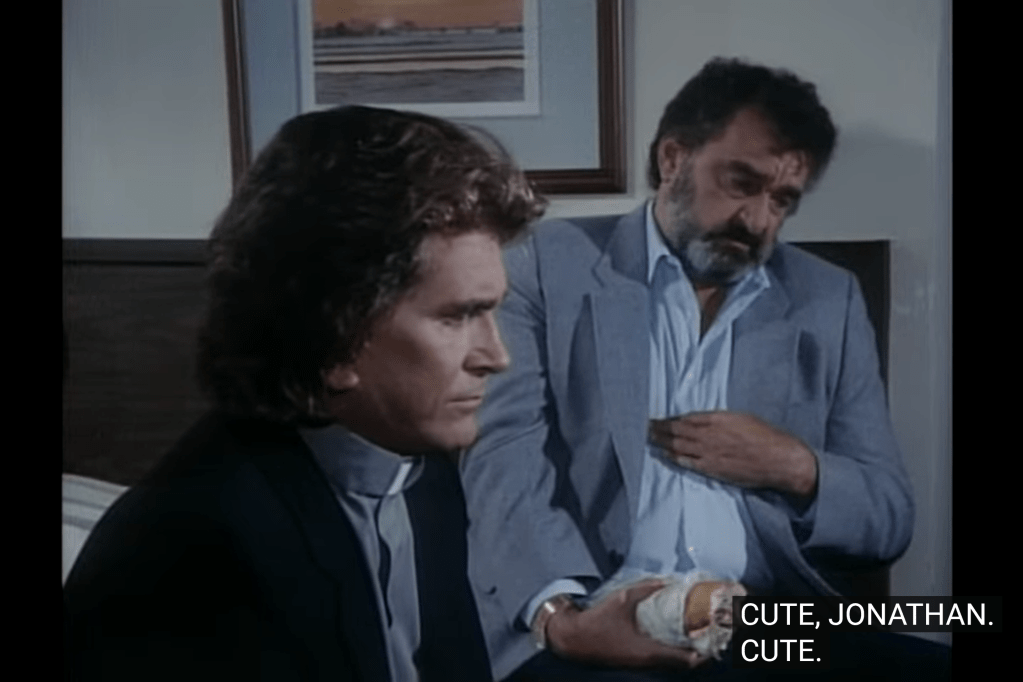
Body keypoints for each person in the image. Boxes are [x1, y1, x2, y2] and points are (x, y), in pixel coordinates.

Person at [461, 57, 948, 680]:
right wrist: (562, 619)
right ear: (673, 159)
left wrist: (793, 466)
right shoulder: (543, 267)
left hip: (761, 628)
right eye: (741, 183)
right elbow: (504, 469)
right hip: (596, 613)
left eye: (783, 201)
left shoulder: (828, 299)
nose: (759, 221)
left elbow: (888, 518)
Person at [64, 105, 546, 681]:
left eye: (491, 312)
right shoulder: (194, 549)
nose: (497, 356)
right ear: (338, 337)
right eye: (457, 317)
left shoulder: (423, 473)